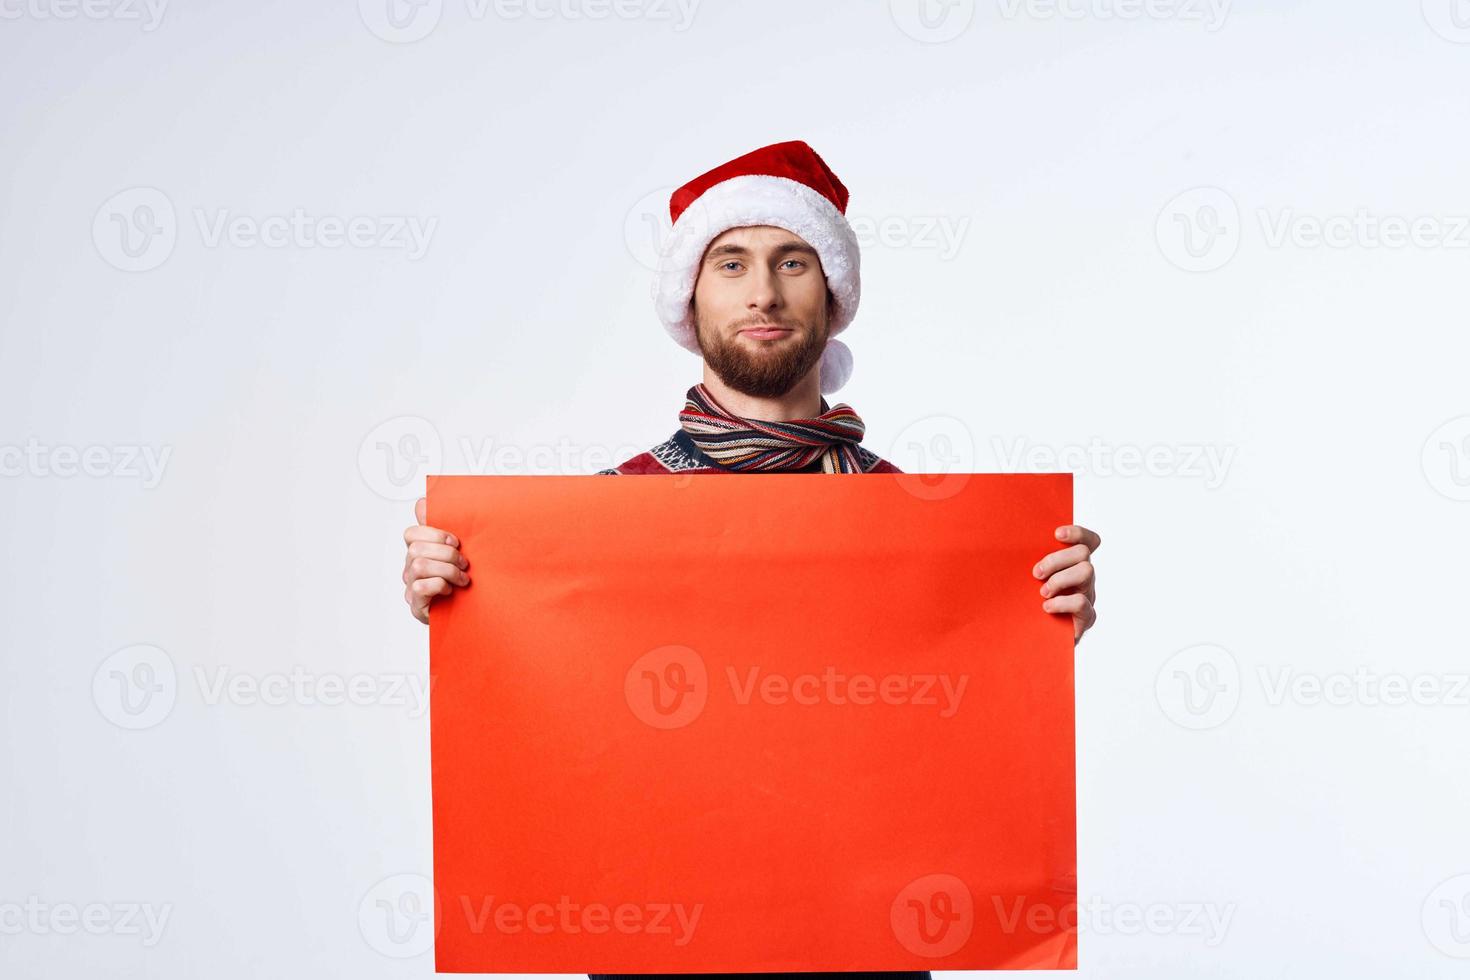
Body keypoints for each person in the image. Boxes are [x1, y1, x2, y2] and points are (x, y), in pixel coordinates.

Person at [400, 140, 1100, 978]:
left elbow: (957, 742)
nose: (763, 292)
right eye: (731, 263)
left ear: (832, 294)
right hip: (654, 956)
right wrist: (465, 602)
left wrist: (1033, 624)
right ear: (690, 299)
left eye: (792, 261)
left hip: (866, 954)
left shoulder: (921, 525)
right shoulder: (593, 521)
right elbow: (546, 732)